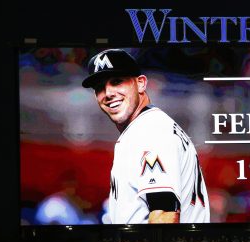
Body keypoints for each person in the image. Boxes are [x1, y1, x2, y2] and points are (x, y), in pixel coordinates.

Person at [82, 49, 210, 224]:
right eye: (100, 88)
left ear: (141, 83)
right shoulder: (152, 125)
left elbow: (165, 214)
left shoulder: (150, 130)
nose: (108, 93)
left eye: (117, 81)